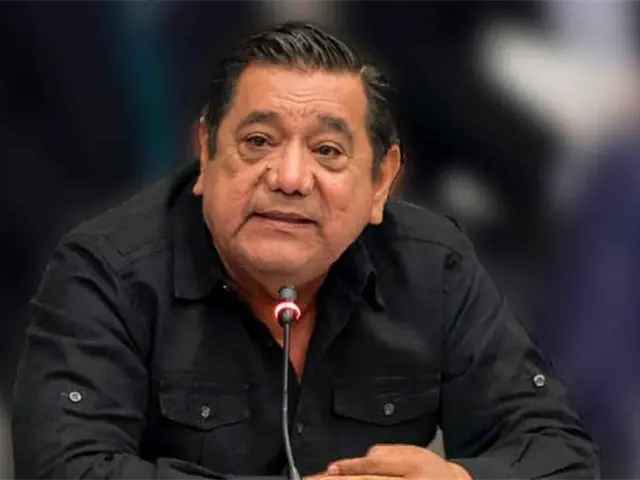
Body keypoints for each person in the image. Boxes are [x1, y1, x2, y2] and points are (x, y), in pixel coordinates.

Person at [11, 22, 599, 480]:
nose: (290, 177)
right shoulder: (105, 269)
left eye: (327, 151)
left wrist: (458, 478)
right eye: (258, 141)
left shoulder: (431, 264)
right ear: (205, 153)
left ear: (381, 181)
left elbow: (559, 452)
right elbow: (64, 468)